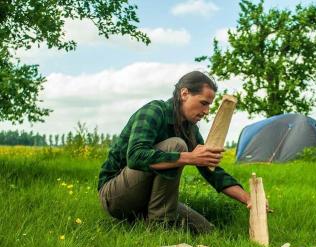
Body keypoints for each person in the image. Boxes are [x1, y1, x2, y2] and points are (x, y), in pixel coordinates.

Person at [97, 71, 250, 233]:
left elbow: (210, 169)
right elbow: (135, 157)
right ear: (184, 94)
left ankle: (147, 219)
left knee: (206, 231)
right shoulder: (154, 111)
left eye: (209, 106)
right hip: (115, 196)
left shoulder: (189, 129)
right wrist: (189, 157)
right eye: (203, 103)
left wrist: (247, 198)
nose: (206, 111)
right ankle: (159, 227)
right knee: (176, 146)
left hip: (148, 198)